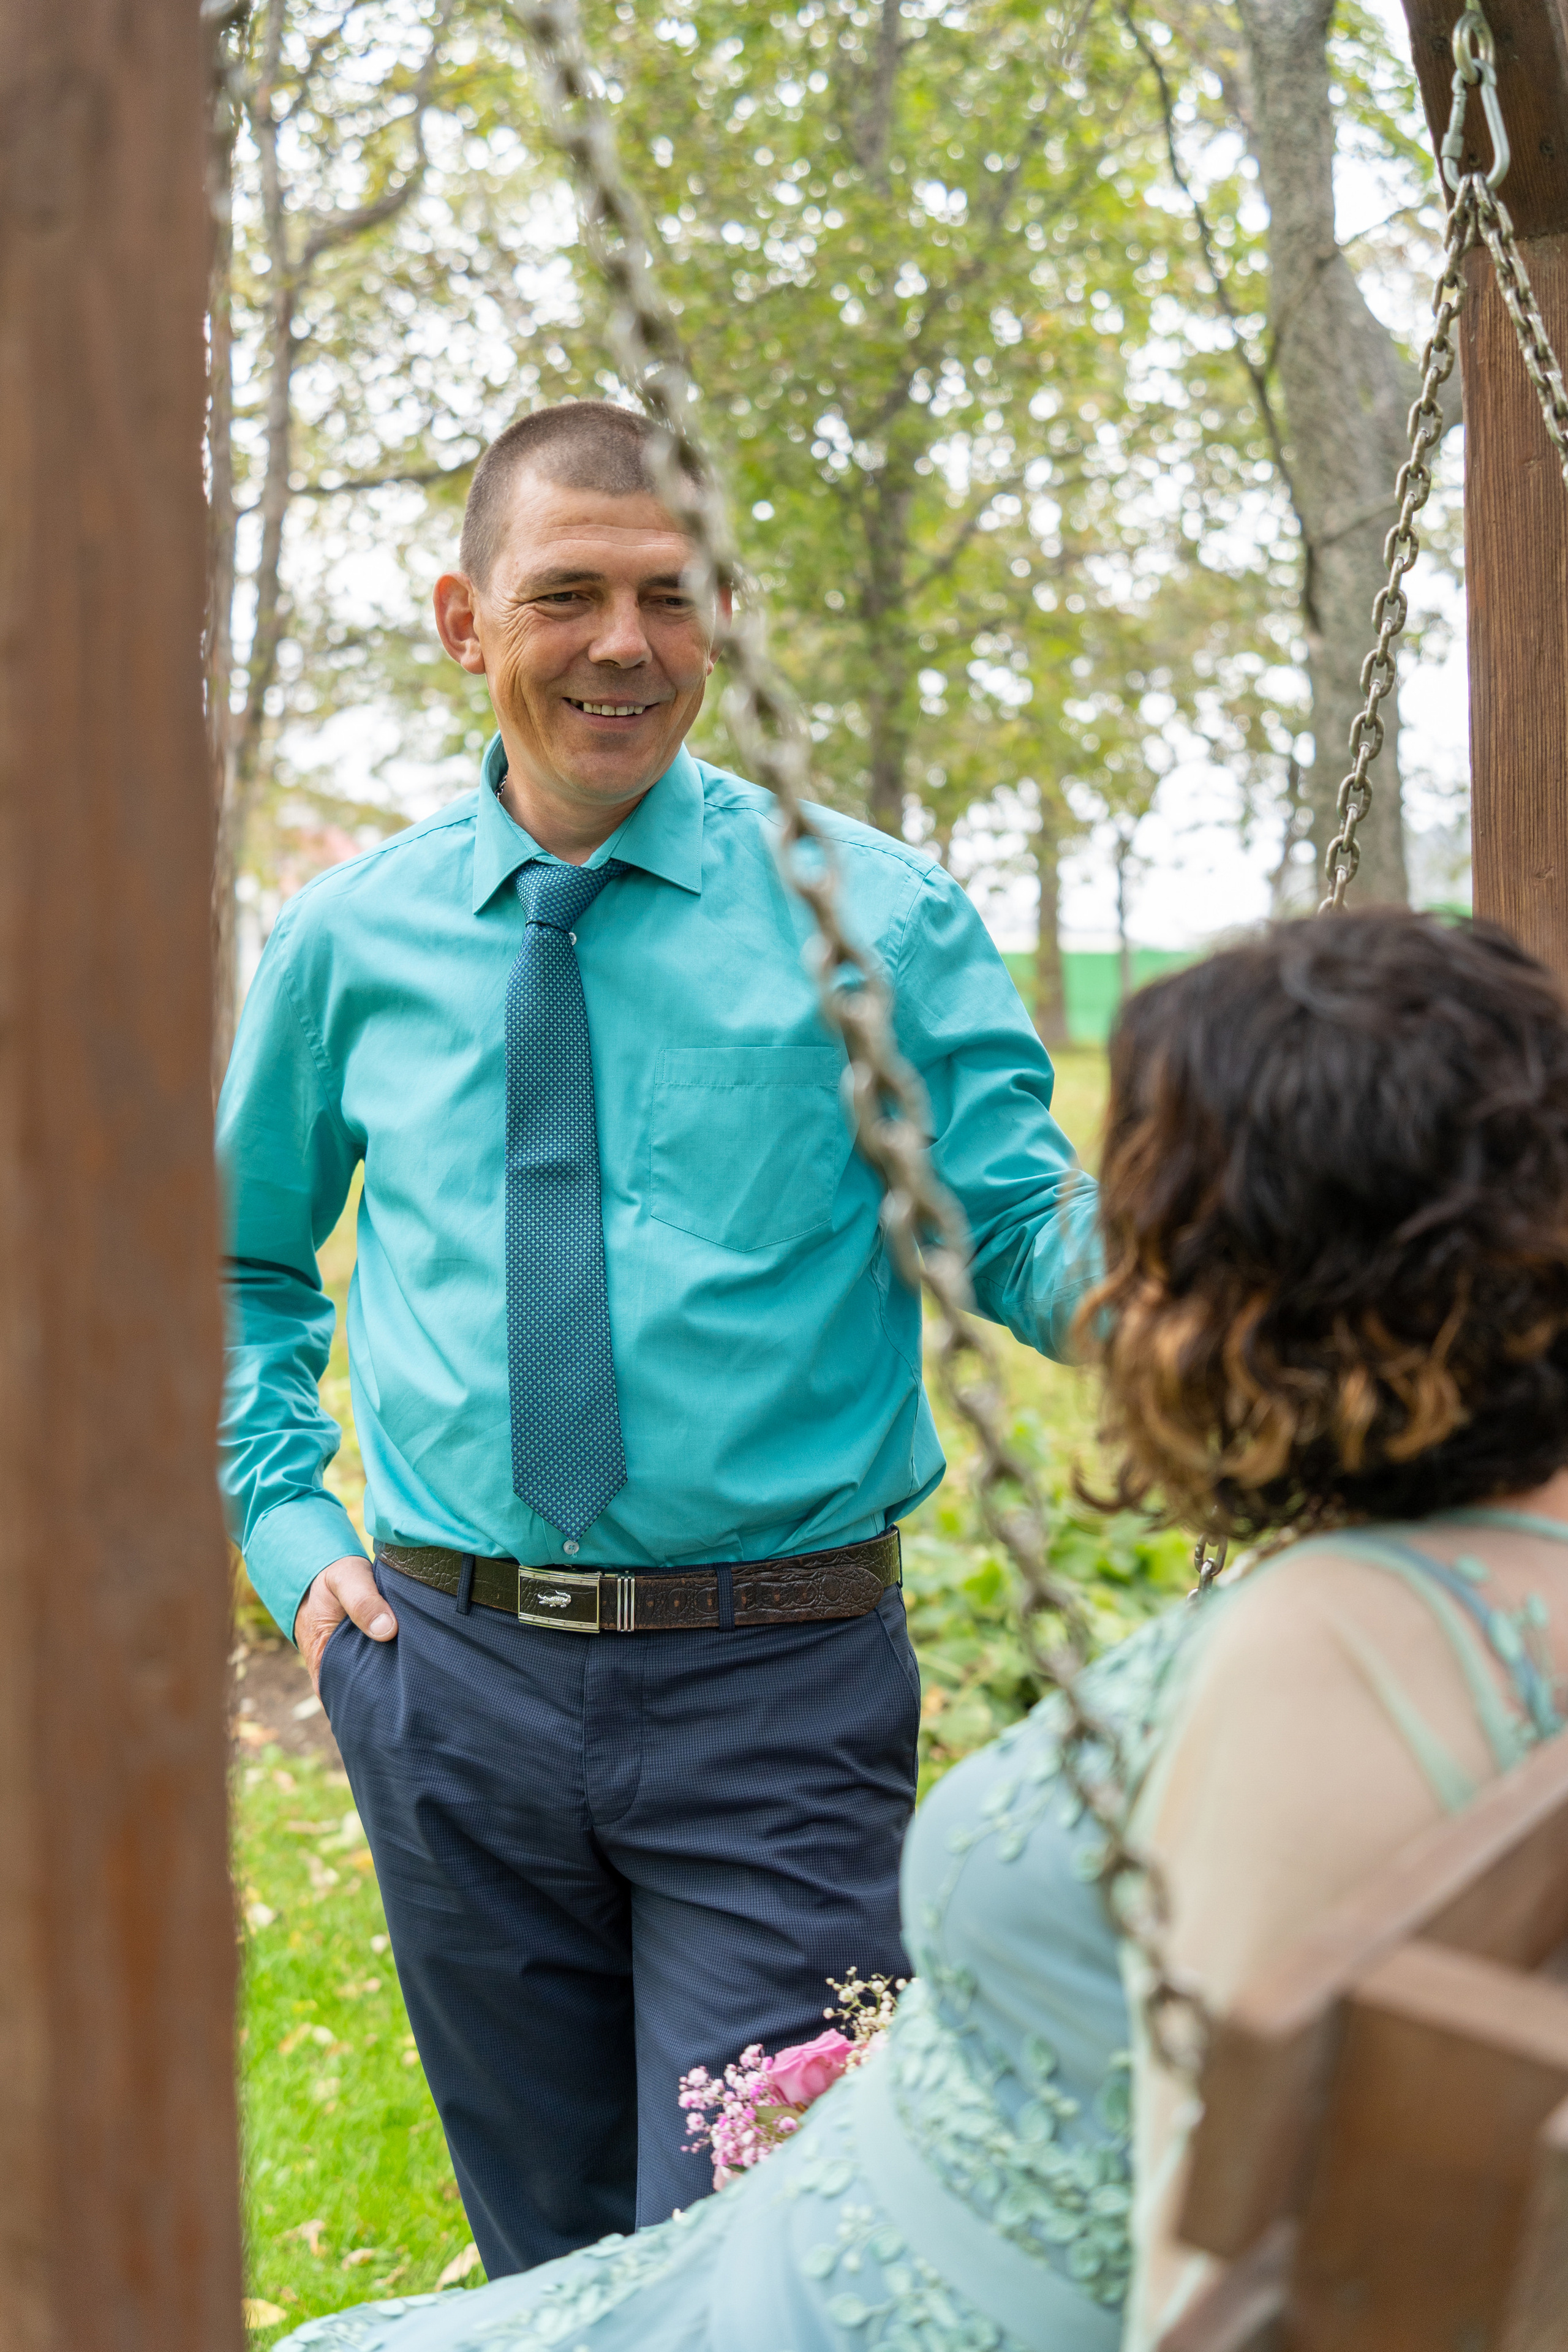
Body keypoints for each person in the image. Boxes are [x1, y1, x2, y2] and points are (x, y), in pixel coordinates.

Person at [274, 906, 1568, 2352]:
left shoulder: (1317, 1656)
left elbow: (1225, 2288)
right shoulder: (1498, 1572)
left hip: (862, 2237)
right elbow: (241, 1251)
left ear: (1243, 1271)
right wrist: (283, 1515)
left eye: (1149, 1223)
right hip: (458, 1661)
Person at [218, 399, 1099, 2279]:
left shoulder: (870, 915)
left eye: (671, 599)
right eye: (569, 596)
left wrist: (1227, 1299)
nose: (626, 644)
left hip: (774, 1696)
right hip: (446, 1688)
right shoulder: (346, 943)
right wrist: (293, 1543)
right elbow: (234, 1270)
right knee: (547, 2258)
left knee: (776, 2253)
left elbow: (1018, 1225)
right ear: (465, 621)